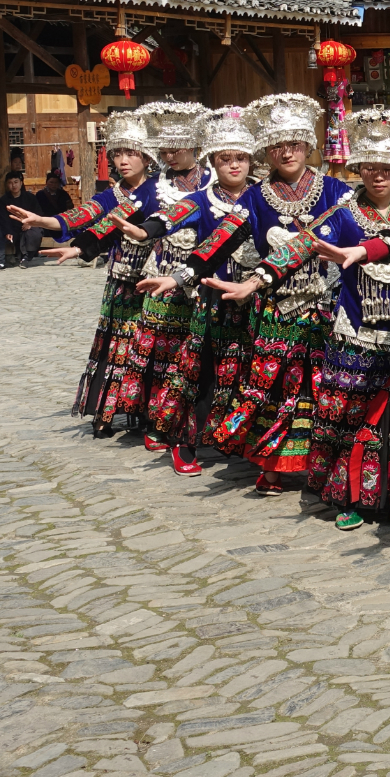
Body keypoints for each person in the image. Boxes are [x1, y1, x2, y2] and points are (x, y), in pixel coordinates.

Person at [213, 108, 390, 517]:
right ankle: (349, 495)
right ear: (359, 169)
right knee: (346, 416)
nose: (379, 176)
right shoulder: (344, 211)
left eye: (388, 167)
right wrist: (256, 280)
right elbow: (301, 244)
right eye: (370, 167)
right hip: (351, 327)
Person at [203, 93, 352, 495]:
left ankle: (325, 468)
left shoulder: (337, 191)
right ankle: (272, 466)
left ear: (308, 146)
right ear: (266, 151)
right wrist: (184, 272)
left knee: (328, 385)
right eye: (277, 146)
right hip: (277, 304)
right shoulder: (254, 197)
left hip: (328, 303)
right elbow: (220, 238)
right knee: (274, 383)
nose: (287, 152)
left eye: (295, 144)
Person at [10, 109, 161, 438]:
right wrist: (43, 222)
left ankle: (154, 413)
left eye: (131, 153)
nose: (123, 160)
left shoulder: (163, 191)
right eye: (117, 153)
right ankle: (106, 412)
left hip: (162, 281)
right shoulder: (113, 195)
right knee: (117, 345)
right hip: (124, 280)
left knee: (156, 346)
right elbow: (84, 216)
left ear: (147, 157)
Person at [134, 107, 266, 475]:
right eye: (226, 159)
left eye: (241, 158)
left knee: (251, 373)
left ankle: (241, 443)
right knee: (202, 374)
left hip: (255, 298)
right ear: (213, 161)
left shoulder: (261, 197)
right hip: (211, 300)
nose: (235, 166)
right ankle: (184, 444)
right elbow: (167, 218)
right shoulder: (203, 200)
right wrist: (144, 231)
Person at [119, 104, 209, 453]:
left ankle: (200, 422)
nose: (170, 156)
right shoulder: (154, 185)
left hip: (203, 275)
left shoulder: (214, 180)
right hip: (162, 274)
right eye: (165, 150)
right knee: (162, 352)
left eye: (178, 149)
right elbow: (110, 212)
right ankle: (159, 421)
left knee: (199, 353)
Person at [0, 170, 43, 268]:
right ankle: (0, 262)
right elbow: (3, 218)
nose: (14, 185)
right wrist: (7, 231)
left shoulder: (30, 198)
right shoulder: (4, 200)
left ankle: (26, 258)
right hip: (12, 227)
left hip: (28, 225)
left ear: (21, 183)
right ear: (7, 185)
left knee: (35, 234)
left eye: (16, 182)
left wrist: (30, 223)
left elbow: (38, 213)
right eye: (10, 183)